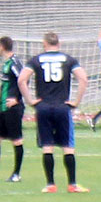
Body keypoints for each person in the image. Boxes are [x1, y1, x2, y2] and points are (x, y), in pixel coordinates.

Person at [18, 32, 88, 193]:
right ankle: (72, 184)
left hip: (43, 107)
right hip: (62, 107)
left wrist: (30, 100)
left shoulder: (36, 60)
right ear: (59, 44)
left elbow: (21, 80)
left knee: (47, 146)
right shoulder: (69, 59)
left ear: (44, 44)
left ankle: (50, 185)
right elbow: (83, 79)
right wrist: (76, 102)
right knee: (68, 147)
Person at [0, 37, 25, 182]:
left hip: (13, 108)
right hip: (3, 107)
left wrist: (17, 98)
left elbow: (24, 79)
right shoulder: (6, 63)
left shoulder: (15, 63)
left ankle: (16, 174)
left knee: (16, 140)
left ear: (2, 46)